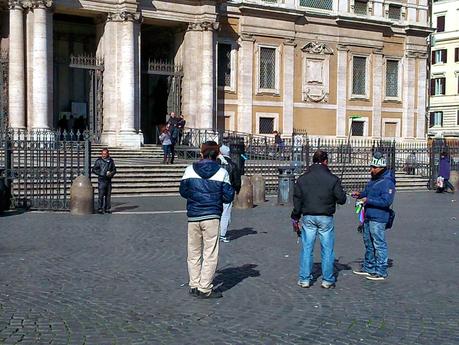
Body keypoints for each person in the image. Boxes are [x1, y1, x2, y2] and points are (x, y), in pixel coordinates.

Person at [180, 141, 235, 299]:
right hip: (211, 215)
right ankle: (205, 288)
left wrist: (196, 195)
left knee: (193, 252)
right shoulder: (221, 172)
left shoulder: (189, 170)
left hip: (194, 216)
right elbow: (228, 196)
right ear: (217, 154)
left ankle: (194, 284)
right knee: (210, 253)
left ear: (201, 153)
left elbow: (183, 191)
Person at [291, 150, 346, 289]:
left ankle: (304, 279)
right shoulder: (333, 179)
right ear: (325, 161)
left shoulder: (302, 179)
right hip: (325, 216)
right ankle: (327, 280)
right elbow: (342, 199)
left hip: (308, 216)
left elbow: (297, 200)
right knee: (327, 249)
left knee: (307, 248)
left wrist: (295, 217)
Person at [351, 151, 396, 281]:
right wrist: (359, 194)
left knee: (379, 243)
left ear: (380, 168)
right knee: (368, 242)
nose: (371, 169)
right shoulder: (373, 180)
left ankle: (381, 271)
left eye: (373, 167)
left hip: (379, 218)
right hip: (368, 216)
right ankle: (369, 267)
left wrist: (367, 200)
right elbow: (367, 192)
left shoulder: (388, 182)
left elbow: (386, 201)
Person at [217, 145, 242, 243]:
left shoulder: (215, 163)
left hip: (215, 191)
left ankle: (214, 233)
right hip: (228, 191)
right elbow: (237, 180)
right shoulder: (233, 164)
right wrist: (237, 189)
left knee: (216, 212)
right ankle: (222, 234)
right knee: (225, 213)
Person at [92, 148, 117, 214]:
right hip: (101, 180)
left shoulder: (111, 161)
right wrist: (101, 173)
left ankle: (107, 208)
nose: (103, 155)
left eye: (105, 154)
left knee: (108, 195)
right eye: (102, 154)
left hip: (108, 180)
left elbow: (114, 170)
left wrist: (111, 173)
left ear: (108, 154)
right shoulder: (99, 161)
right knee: (101, 195)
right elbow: (94, 169)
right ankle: (100, 208)